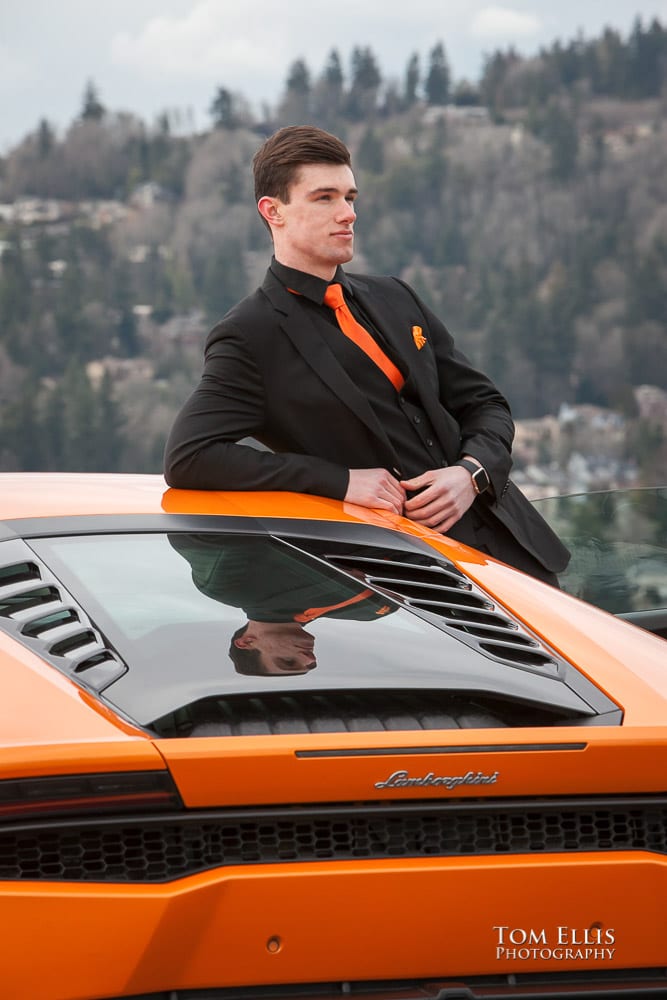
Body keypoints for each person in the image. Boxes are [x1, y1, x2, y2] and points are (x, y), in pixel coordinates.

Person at [164, 125, 569, 585]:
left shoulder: (396, 297)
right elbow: (190, 456)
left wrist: (470, 474)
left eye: (350, 197)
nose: (348, 214)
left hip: (519, 553)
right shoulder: (249, 335)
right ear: (273, 211)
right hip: (412, 584)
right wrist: (341, 481)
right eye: (325, 198)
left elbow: (485, 405)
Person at [169, 533, 395, 676]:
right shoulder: (369, 613)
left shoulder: (232, 587)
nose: (310, 658)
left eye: (287, 662)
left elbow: (188, 533)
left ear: (246, 642)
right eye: (311, 665)